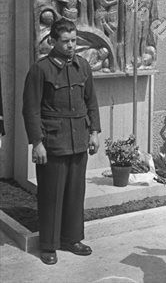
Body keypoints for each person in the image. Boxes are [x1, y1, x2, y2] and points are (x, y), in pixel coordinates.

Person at [22, 18, 101, 265]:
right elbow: (31, 109)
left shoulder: (83, 66)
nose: (70, 45)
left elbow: (92, 102)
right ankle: (48, 245)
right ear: (53, 41)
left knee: (76, 194)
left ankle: (72, 238)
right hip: (53, 142)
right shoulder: (40, 69)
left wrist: (95, 132)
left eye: (73, 40)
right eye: (65, 41)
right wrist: (37, 142)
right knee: (51, 195)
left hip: (79, 139)